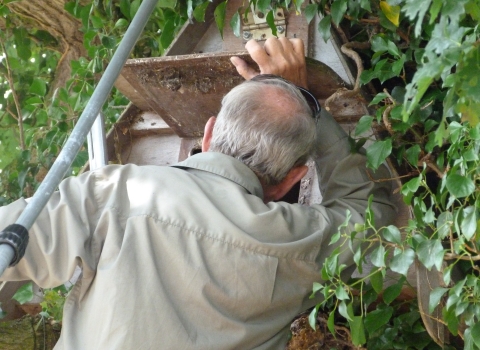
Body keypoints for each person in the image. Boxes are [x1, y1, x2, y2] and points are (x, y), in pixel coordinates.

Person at [0, 38, 395, 349]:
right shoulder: (300, 242)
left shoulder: (117, 192)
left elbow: (9, 240)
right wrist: (309, 102)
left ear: (207, 136)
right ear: (292, 180)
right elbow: (372, 208)